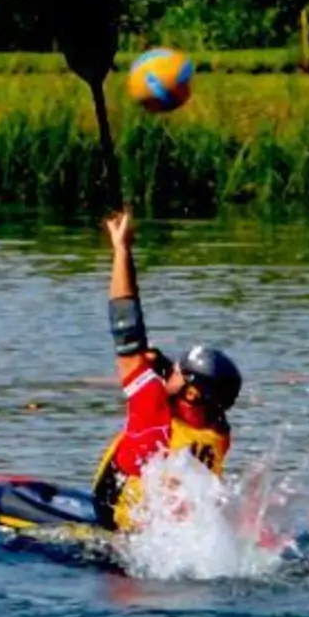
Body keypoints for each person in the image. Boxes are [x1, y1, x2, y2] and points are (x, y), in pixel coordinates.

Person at [89, 211, 243, 531]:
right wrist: (163, 365)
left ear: (191, 391)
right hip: (180, 530)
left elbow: (126, 327)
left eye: (177, 370)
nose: (170, 369)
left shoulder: (152, 406)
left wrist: (122, 251)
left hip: (118, 522)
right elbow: (190, 394)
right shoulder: (219, 429)